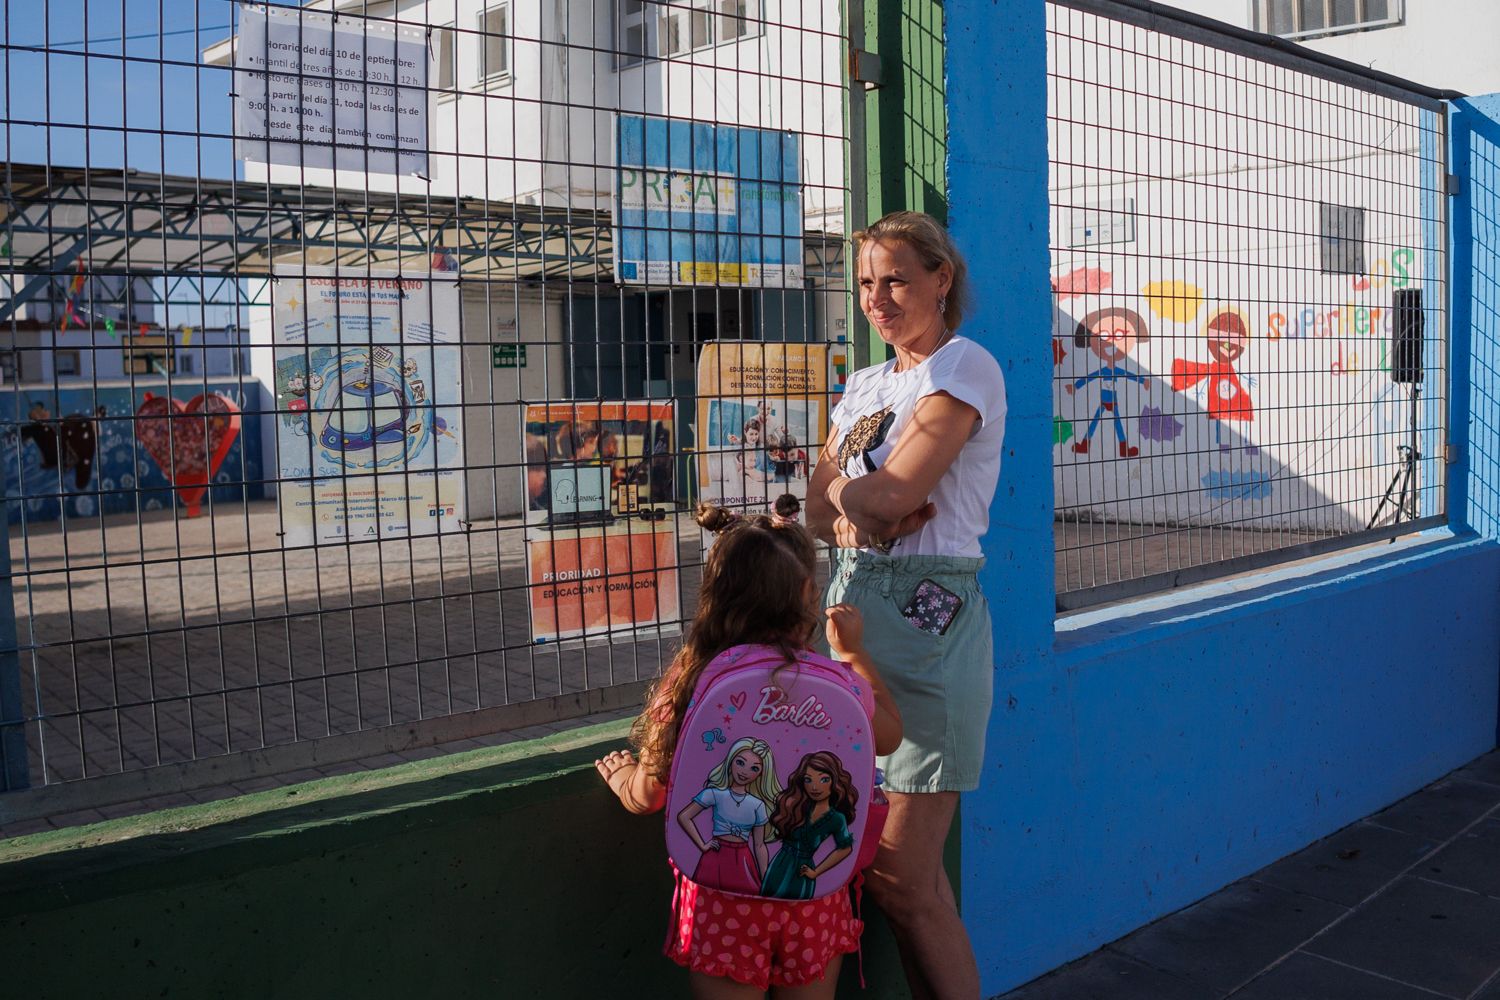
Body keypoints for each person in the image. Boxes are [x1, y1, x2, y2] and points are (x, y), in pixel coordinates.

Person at [805, 209, 1006, 1000]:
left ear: (940, 279)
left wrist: (853, 498)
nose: (876, 298)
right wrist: (858, 508)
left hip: (929, 628)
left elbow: (890, 499)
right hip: (852, 619)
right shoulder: (866, 385)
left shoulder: (963, 367)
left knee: (901, 880)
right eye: (865, 282)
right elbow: (818, 510)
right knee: (904, 882)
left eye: (895, 279)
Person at [595, 498, 903, 998]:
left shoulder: (693, 678)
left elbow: (648, 797)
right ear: (807, 597)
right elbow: (889, 735)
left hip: (722, 900)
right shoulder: (838, 680)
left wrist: (621, 778)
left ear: (717, 593)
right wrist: (853, 652)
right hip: (812, 897)